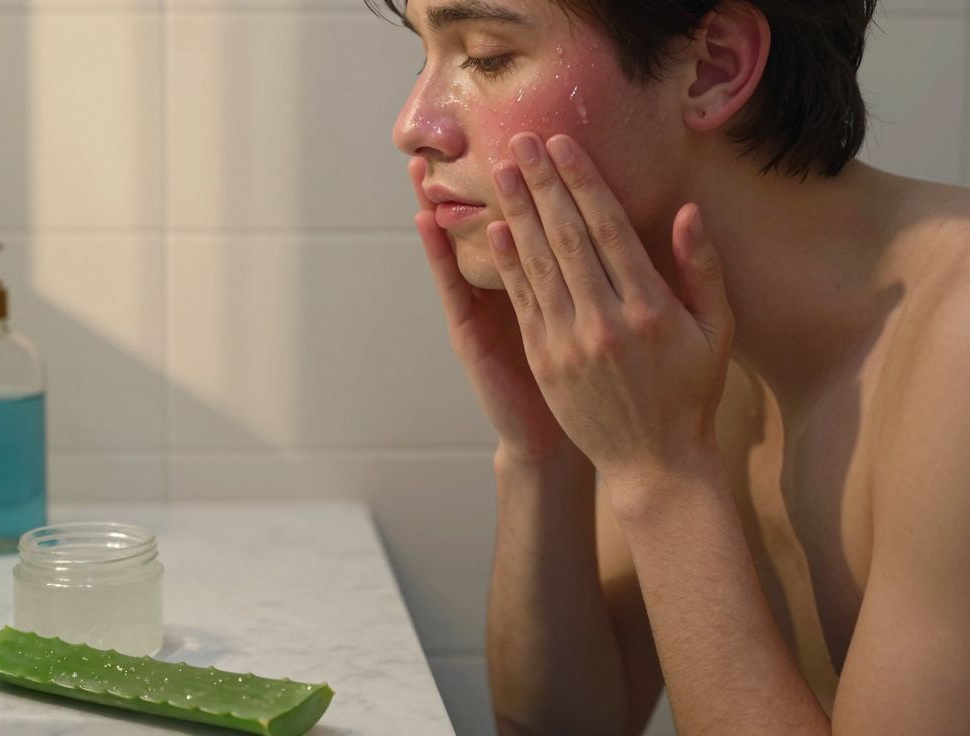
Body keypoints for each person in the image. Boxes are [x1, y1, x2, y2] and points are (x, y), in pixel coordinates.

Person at [373, 0, 970, 733]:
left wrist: (663, 475)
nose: (413, 124)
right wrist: (543, 449)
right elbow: (571, 726)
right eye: (424, 55)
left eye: (488, 56)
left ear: (713, 66)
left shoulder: (957, 349)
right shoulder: (677, 336)